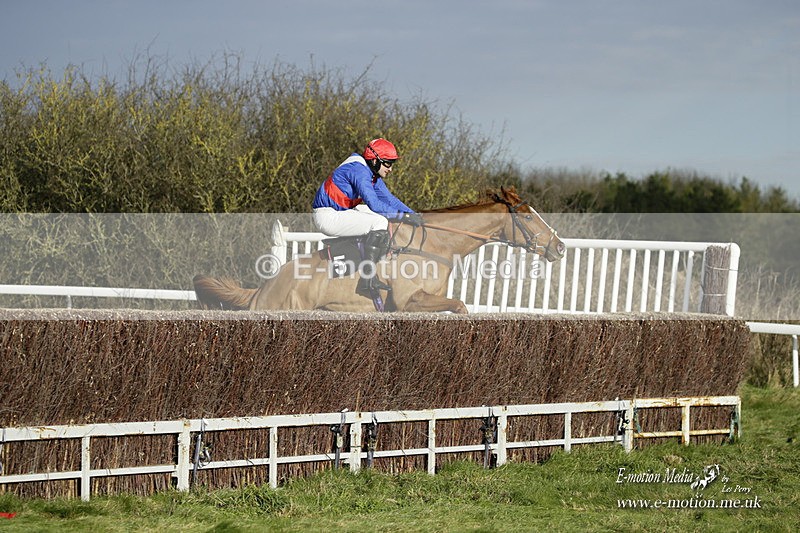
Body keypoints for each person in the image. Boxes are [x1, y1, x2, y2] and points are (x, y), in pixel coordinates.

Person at [312, 138, 424, 295]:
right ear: (375, 160)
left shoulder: (370, 172)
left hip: (340, 211)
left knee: (383, 218)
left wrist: (412, 214)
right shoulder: (359, 171)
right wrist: (403, 216)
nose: (391, 169)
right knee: (379, 221)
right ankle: (368, 279)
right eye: (388, 163)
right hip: (328, 217)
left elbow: (389, 199)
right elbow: (375, 204)